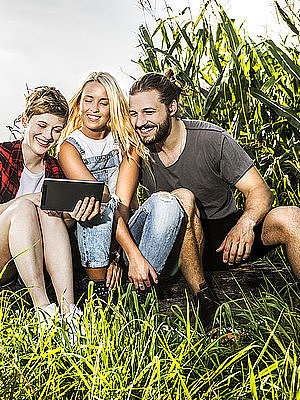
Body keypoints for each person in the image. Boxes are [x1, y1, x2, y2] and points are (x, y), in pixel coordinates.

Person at [125, 70, 300, 308]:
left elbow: (259, 189)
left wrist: (245, 224)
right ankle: (204, 301)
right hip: (178, 247)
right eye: (133, 113)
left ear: (171, 107)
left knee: (291, 217)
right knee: (183, 198)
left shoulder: (211, 139)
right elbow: (128, 206)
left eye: (149, 112)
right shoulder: (137, 150)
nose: (139, 122)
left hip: (226, 240)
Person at [58, 72, 208, 303]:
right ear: (79, 103)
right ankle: (100, 294)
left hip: (125, 234)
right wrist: (128, 254)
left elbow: (124, 206)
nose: (94, 108)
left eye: (103, 102)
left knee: (166, 202)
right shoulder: (69, 148)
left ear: (113, 106)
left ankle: (140, 292)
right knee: (96, 203)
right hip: (92, 244)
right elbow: (103, 202)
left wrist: (121, 255)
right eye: (88, 100)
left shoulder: (127, 145)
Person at [0, 86, 97, 331]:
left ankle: (69, 312)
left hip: (29, 258)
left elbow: (60, 226)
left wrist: (70, 215)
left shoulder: (55, 169)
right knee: (27, 206)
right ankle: (43, 310)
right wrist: (26, 200)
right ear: (25, 120)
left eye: (57, 130)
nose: (48, 135)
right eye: (42, 126)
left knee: (49, 208)